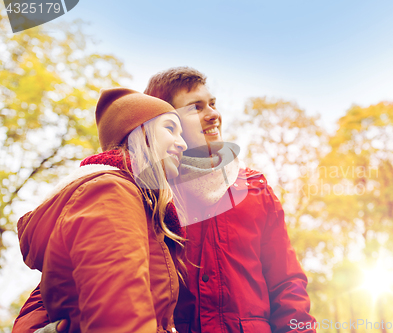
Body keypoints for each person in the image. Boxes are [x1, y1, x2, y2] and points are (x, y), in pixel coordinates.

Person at [14, 68, 317, 333]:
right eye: (195, 107)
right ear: (159, 119)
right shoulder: (145, 193)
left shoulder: (253, 189)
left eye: (212, 103)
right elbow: (71, 276)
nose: (212, 114)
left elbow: (287, 285)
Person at [13, 88, 187, 333]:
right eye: (170, 129)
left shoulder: (131, 199)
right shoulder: (111, 192)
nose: (183, 143)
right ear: (140, 133)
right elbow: (121, 318)